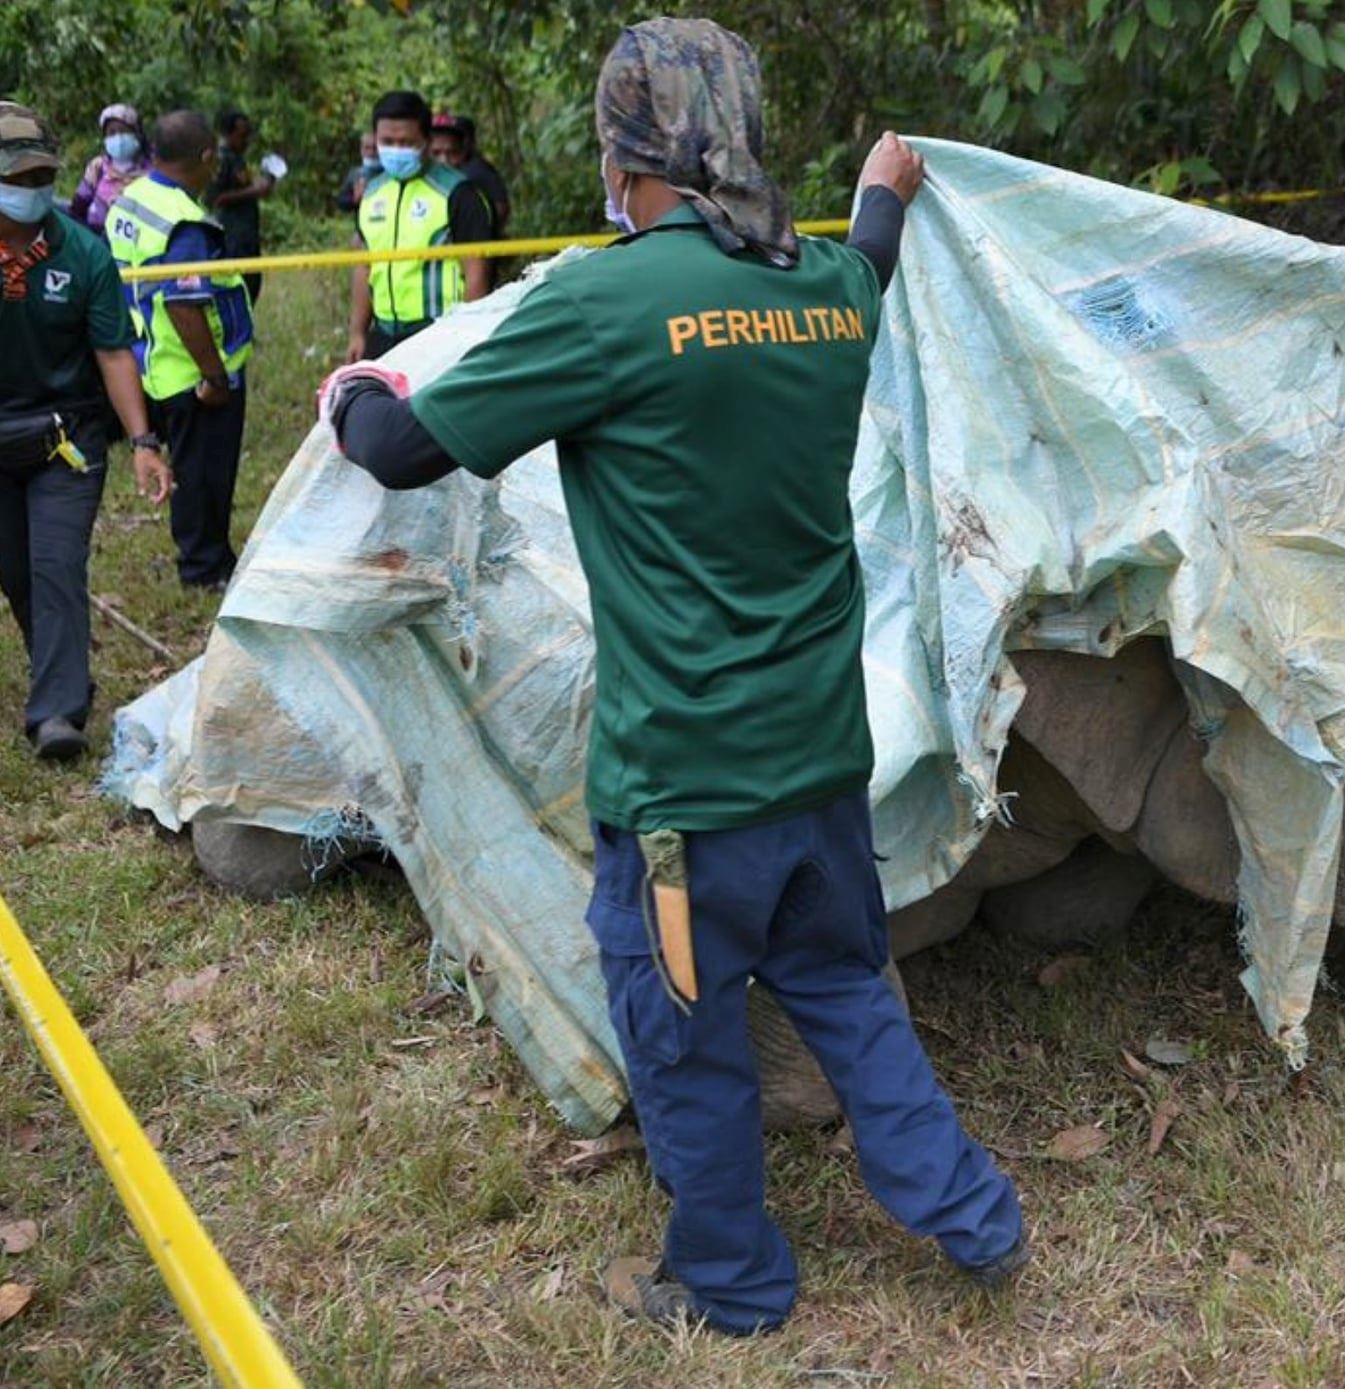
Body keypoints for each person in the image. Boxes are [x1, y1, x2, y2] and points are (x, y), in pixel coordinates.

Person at [319, 18, 1026, 1338]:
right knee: (847, 993)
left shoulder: (606, 298)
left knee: (687, 1046)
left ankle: (732, 1282)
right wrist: (885, 187)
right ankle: (975, 1216)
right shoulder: (824, 288)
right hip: (822, 758)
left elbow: (410, 449)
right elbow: (871, 249)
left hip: (681, 799)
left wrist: (352, 392)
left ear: (629, 160)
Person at [0, 102, 171, 760]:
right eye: (16, 178)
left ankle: (58, 713)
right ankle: (59, 663)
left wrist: (146, 444)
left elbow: (114, 353)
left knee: (56, 565)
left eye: (40, 175)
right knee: (17, 571)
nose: (30, 190)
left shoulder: (84, 253)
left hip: (63, 439)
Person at [107, 110, 254, 592]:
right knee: (204, 474)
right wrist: (214, 375)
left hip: (152, 360)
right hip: (191, 372)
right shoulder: (185, 224)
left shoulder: (131, 201)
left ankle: (210, 557)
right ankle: (204, 568)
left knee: (193, 466)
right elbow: (185, 306)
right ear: (207, 157)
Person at [344, 91, 492, 363]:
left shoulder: (457, 193)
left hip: (439, 334)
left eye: (406, 142)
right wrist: (357, 333)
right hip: (384, 334)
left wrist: (467, 339)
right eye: (387, 142)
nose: (396, 150)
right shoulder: (372, 194)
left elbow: (476, 274)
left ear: (425, 141)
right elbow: (363, 267)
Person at [206, 109, 275, 303]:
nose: (247, 141)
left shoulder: (238, 159)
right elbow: (216, 198)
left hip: (247, 233)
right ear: (229, 134)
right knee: (238, 285)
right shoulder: (221, 159)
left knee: (252, 282)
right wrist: (253, 191)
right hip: (231, 235)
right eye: (242, 135)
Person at [68, 103, 153, 237]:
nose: (118, 137)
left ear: (137, 133)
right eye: (112, 133)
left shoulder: (152, 171)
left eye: (124, 131)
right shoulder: (98, 167)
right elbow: (78, 206)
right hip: (95, 236)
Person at [433, 114, 510, 236]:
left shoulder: (474, 176)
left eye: (452, 153)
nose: (444, 161)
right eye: (435, 153)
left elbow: (500, 208)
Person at [335, 130, 380, 214]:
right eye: (367, 148)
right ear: (361, 150)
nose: (371, 153)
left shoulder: (391, 173)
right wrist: (354, 199)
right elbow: (341, 202)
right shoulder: (355, 174)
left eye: (375, 148)